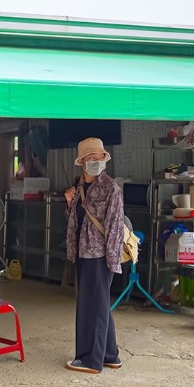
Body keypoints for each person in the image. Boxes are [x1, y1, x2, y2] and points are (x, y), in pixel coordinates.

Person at [64, 137, 125, 374]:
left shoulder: (111, 188)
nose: (96, 161)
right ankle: (111, 355)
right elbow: (76, 219)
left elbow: (115, 227)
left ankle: (91, 360)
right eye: (91, 158)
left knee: (93, 308)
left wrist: (112, 262)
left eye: (99, 157)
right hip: (82, 252)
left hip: (100, 256)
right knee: (98, 306)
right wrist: (70, 203)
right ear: (82, 162)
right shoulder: (79, 185)